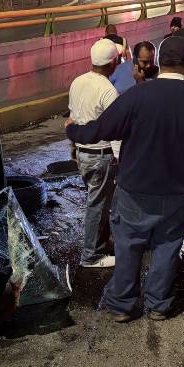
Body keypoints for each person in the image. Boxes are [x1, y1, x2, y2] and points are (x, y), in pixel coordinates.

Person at [65, 35, 184, 321]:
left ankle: (123, 305)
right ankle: (158, 305)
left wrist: (72, 131)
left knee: (128, 244)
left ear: (158, 62)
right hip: (181, 191)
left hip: (135, 189)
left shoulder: (136, 97)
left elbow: (100, 130)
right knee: (167, 246)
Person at [68, 39, 122, 269]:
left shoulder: (77, 82)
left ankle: (101, 243)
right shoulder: (108, 90)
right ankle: (91, 255)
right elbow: (116, 131)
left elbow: (72, 118)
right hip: (100, 155)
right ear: (113, 62)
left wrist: (72, 148)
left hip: (83, 153)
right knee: (98, 204)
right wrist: (121, 158)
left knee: (98, 201)